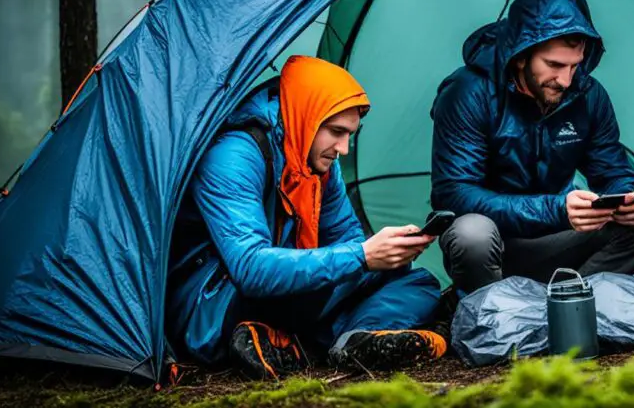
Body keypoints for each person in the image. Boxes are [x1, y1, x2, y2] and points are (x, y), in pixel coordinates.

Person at [166, 56, 445, 379]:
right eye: (336, 132)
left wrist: (388, 252)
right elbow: (250, 268)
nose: (343, 148)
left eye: (350, 134)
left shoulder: (315, 160)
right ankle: (311, 339)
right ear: (305, 118)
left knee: (415, 280)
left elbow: (346, 237)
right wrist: (363, 255)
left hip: (284, 290)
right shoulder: (234, 155)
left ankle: (353, 340)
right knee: (365, 265)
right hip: (216, 305)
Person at [430, 0, 634, 295]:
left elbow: (612, 170)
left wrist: (626, 199)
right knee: (472, 233)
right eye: (554, 65)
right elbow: (454, 194)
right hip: (493, 242)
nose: (566, 80)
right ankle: (489, 317)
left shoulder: (588, 95)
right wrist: (555, 209)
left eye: (574, 66)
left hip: (555, 239)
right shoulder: (468, 92)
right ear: (521, 55)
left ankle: (560, 307)